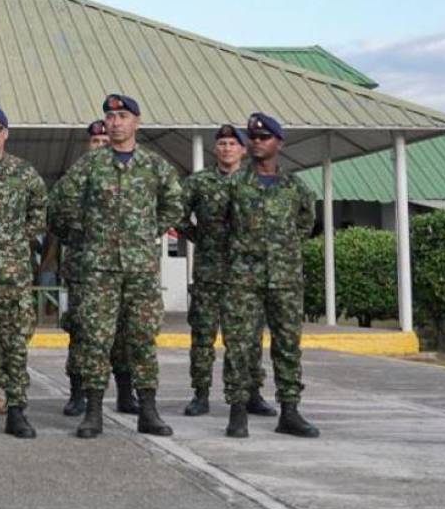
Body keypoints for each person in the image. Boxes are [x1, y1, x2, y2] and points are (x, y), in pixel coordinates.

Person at [48, 94, 181, 439]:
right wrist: (84, 233)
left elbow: (173, 205)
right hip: (98, 269)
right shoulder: (90, 165)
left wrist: (148, 230)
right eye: (110, 116)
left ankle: (147, 410)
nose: (116, 121)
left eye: (122, 116)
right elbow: (60, 204)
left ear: (136, 122)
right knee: (95, 338)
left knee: (142, 338)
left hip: (140, 269)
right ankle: (93, 412)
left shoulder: (155, 166)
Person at [220, 113, 319, 439]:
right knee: (240, 346)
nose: (257, 142)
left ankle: (289, 411)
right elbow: (220, 225)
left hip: (285, 280)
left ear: (279, 142)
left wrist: (281, 253)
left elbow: (305, 225)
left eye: (264, 137)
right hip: (243, 280)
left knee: (288, 345)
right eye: (253, 138)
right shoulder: (234, 185)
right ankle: (237, 412)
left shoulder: (295, 188)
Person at [177, 124, 276, 418]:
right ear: (215, 149)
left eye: (233, 143)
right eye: (222, 143)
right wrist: (199, 236)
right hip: (209, 272)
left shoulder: (257, 181)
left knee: (249, 337)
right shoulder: (199, 182)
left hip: (246, 275)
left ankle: (253, 393)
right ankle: (201, 393)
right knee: (203, 336)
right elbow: (177, 213)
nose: (227, 148)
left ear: (244, 150)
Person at [57, 120, 138, 417]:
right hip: (84, 268)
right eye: (95, 142)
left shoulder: (129, 179)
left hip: (124, 266)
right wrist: (82, 238)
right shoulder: (78, 177)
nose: (101, 146)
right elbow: (57, 214)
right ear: (87, 146)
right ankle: (78, 394)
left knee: (124, 331)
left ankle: (125, 393)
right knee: (83, 331)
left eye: (105, 142)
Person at [0, 105, 46, 438]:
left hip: (11, 272)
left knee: (14, 340)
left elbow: (39, 212)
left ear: (6, 133)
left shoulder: (24, 172)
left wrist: (17, 240)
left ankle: (17, 407)